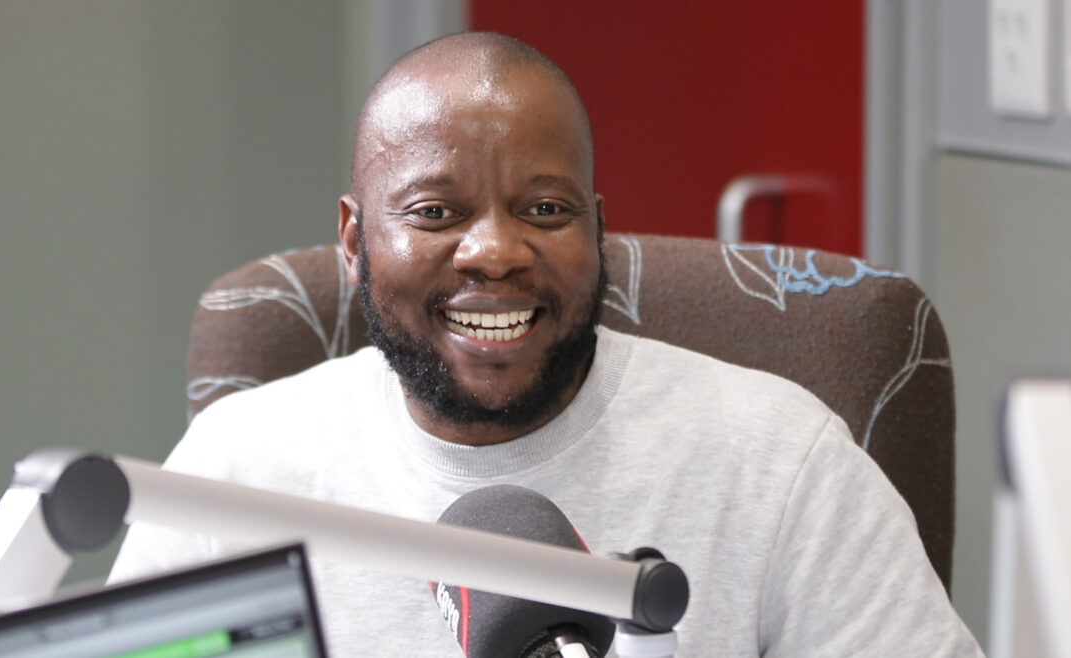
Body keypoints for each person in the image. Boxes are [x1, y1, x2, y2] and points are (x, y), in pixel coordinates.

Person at [110, 32, 983, 657]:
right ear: (353, 241)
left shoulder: (781, 461)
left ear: (597, 233)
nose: (495, 251)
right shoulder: (236, 471)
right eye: (436, 212)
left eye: (545, 209)